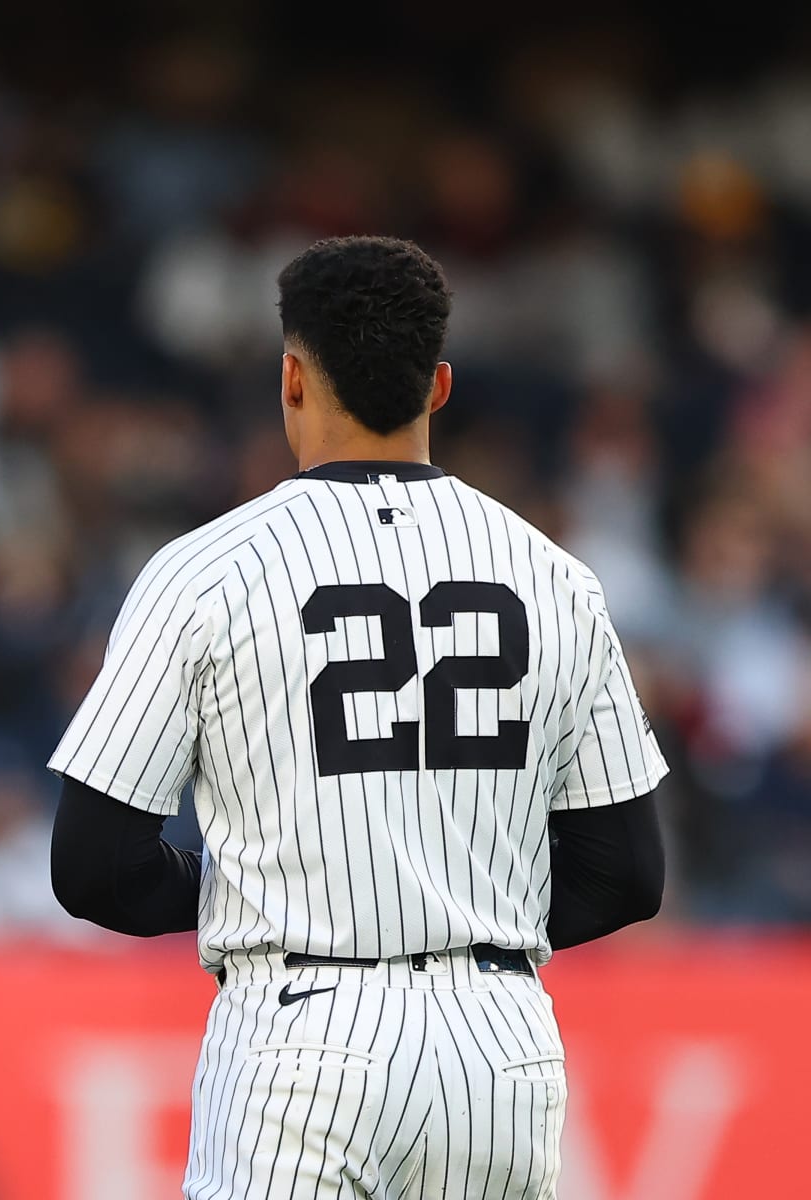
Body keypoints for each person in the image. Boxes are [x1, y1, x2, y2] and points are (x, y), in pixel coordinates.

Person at [48, 235, 665, 1198]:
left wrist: (240, 895)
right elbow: (626, 875)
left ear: (292, 379)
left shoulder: (208, 571)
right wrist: (466, 918)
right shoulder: (555, 576)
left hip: (302, 1033)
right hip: (497, 1045)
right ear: (441, 386)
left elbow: (94, 867)